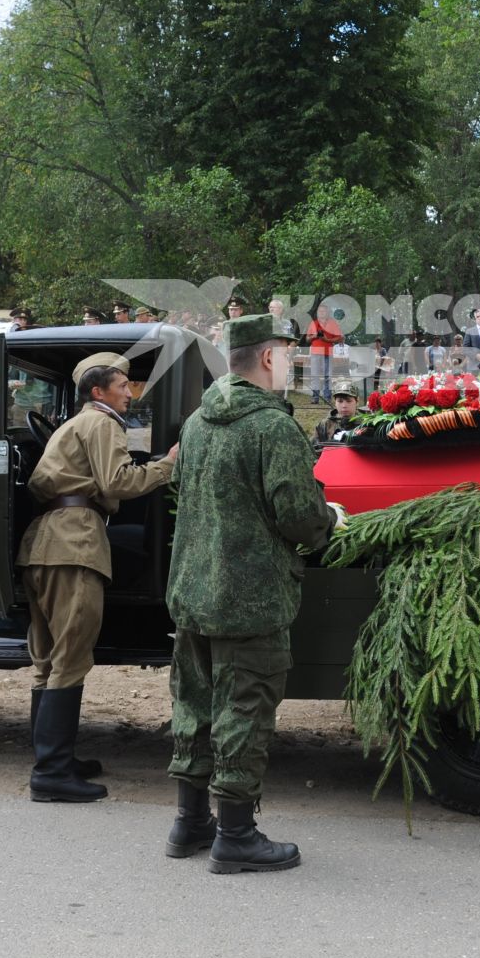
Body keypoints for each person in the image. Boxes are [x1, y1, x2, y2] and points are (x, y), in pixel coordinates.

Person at [167, 314, 339, 873]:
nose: (289, 364)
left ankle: (190, 823)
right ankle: (236, 835)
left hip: (194, 591)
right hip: (251, 599)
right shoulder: (272, 427)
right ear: (267, 359)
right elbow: (299, 516)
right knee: (244, 708)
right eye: (286, 354)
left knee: (194, 707)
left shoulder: (195, 422)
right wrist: (329, 520)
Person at [18, 352, 178, 804]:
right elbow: (117, 484)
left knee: (48, 660)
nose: (130, 392)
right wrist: (169, 464)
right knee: (70, 657)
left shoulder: (75, 424)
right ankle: (50, 773)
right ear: (98, 392)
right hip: (74, 546)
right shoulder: (102, 423)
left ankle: (54, 760)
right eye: (123, 385)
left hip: (45, 543)